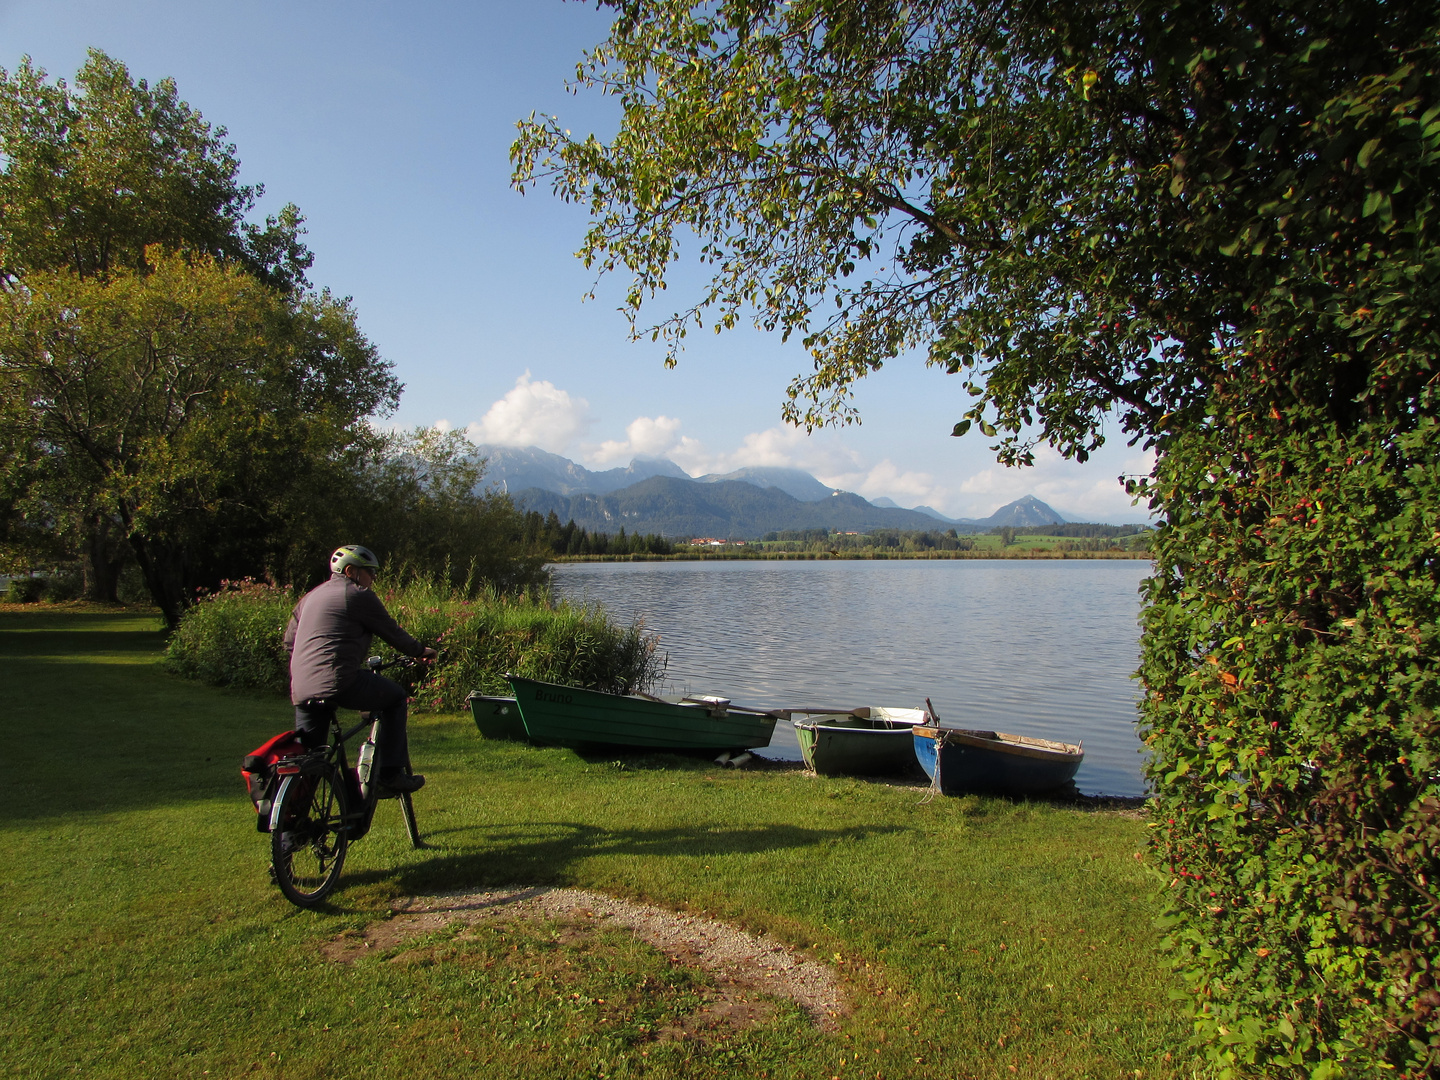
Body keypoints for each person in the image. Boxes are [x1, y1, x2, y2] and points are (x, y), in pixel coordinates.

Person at [283, 545, 437, 794]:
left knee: (309, 759)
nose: (373, 578)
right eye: (370, 572)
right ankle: (390, 774)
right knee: (396, 697)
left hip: (301, 688)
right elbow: (391, 631)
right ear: (351, 571)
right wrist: (420, 651)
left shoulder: (309, 597)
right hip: (339, 681)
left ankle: (295, 824)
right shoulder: (357, 594)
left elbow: (289, 643)